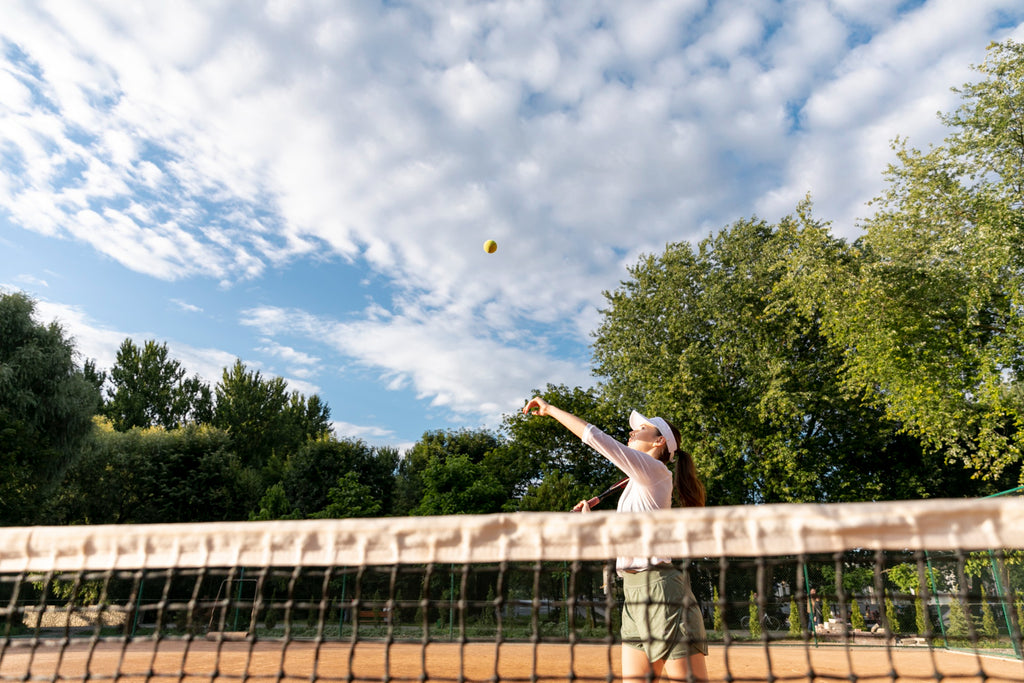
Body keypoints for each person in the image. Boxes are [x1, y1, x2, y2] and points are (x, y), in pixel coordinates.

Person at [522, 396, 708, 683]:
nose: (632, 432)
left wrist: (550, 410)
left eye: (642, 428)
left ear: (659, 442)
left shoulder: (655, 471)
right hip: (633, 593)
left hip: (662, 592)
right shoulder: (638, 484)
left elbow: (596, 438)